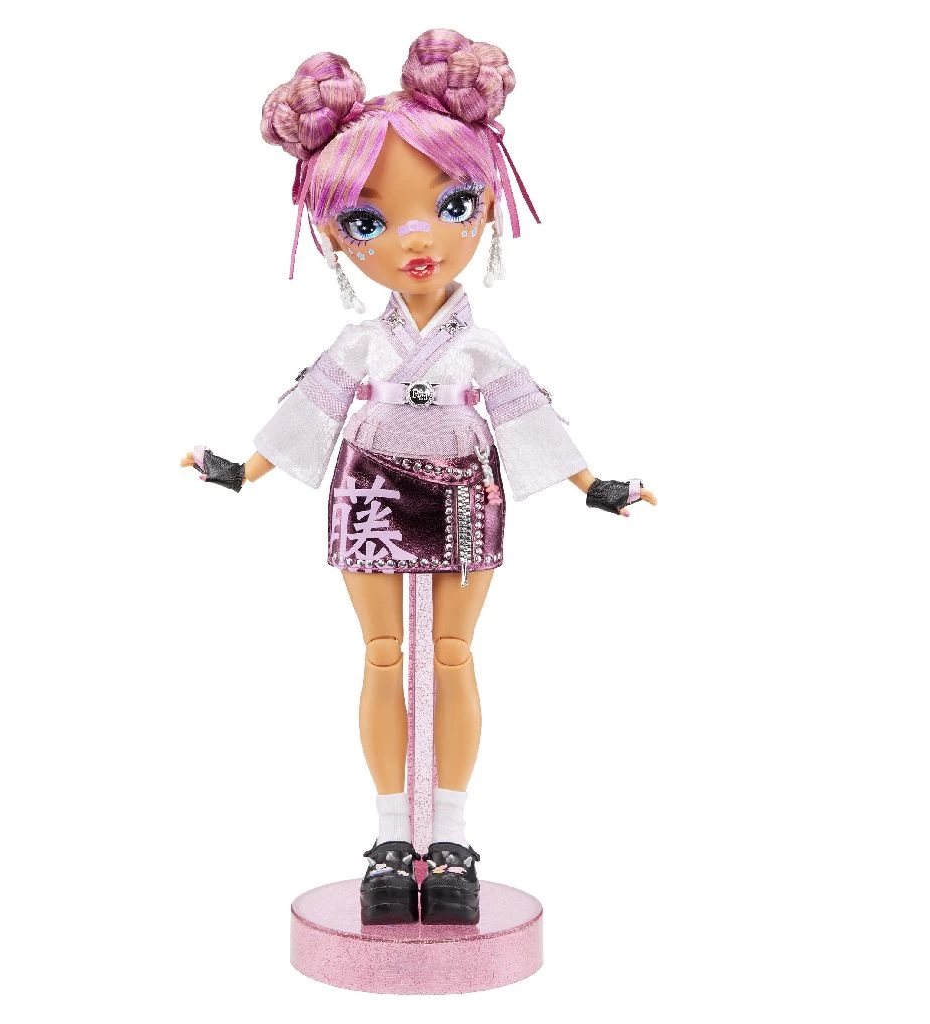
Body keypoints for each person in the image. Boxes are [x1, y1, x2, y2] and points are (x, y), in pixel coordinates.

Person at [182, 28, 657, 925]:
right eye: (368, 222)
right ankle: (392, 837)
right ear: (335, 235)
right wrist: (242, 471)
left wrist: (590, 484)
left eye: (453, 204)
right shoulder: (361, 342)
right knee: (380, 652)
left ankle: (454, 837)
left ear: (487, 205)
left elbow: (525, 412)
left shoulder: (480, 344)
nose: (414, 238)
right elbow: (314, 405)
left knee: (452, 653)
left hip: (464, 492)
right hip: (369, 487)